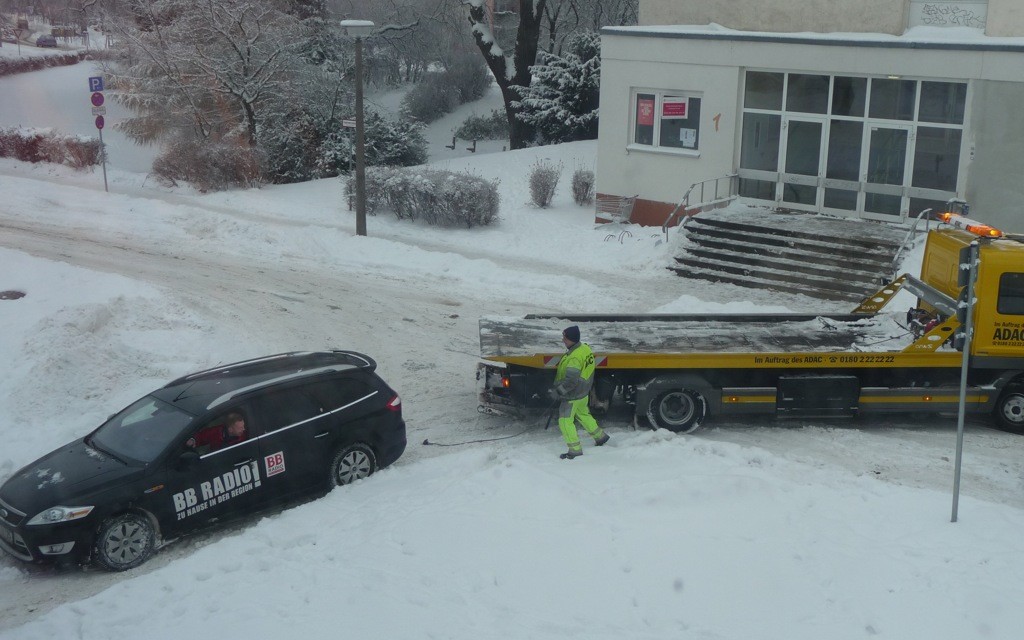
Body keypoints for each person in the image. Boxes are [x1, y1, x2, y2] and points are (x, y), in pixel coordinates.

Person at [549, 325, 608, 459]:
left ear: (572, 339)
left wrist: (559, 391)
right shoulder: (584, 348)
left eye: (565, 337)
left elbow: (571, 381)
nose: (563, 340)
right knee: (583, 415)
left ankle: (575, 450)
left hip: (572, 395)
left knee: (565, 421)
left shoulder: (574, 357)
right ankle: (600, 437)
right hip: (583, 392)